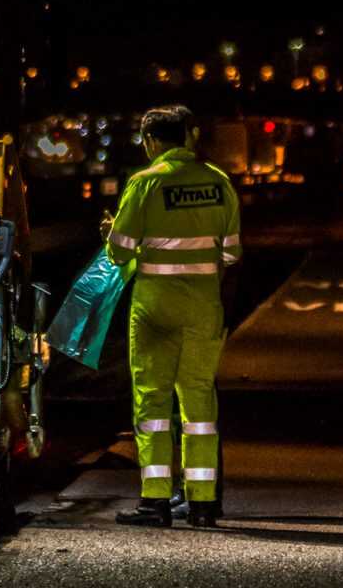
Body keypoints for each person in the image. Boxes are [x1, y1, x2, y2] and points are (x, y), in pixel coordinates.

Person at [106, 105, 242, 528]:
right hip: (203, 308)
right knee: (200, 404)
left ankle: (155, 502)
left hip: (155, 310)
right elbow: (231, 252)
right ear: (188, 137)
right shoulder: (220, 183)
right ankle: (202, 504)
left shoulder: (145, 183)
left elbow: (119, 250)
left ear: (150, 141)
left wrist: (116, 233)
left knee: (152, 403)